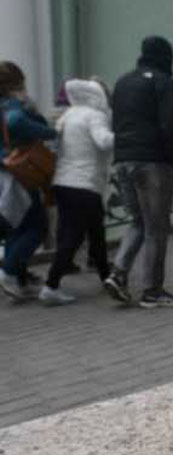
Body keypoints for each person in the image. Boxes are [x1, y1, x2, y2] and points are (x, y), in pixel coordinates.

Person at [104, 36, 173, 308]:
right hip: (153, 163)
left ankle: (118, 273)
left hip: (123, 160)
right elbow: (171, 127)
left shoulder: (123, 82)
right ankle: (152, 290)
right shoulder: (165, 83)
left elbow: (115, 121)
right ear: (166, 56)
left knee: (138, 222)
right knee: (156, 228)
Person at [40, 78, 114, 305]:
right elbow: (104, 142)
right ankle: (51, 286)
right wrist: (128, 136)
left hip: (63, 182)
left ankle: (106, 277)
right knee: (75, 236)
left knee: (95, 231)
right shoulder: (95, 116)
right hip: (85, 183)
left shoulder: (69, 114)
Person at [0, 61, 57, 301]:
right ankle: (9, 272)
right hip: (19, 172)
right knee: (37, 226)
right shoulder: (12, 105)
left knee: (17, 226)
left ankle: (18, 277)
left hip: (5, 172)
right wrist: (52, 131)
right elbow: (17, 123)